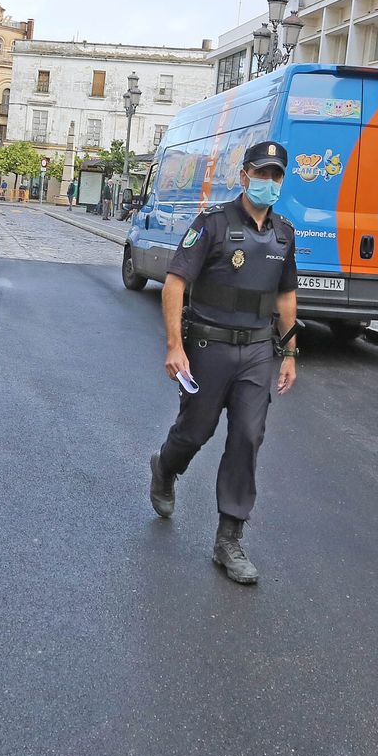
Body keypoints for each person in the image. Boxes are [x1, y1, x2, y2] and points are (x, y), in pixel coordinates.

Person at [148, 141, 300, 584]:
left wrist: (290, 352)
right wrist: (175, 346)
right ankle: (166, 466)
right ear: (244, 176)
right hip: (209, 347)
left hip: (256, 351)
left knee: (249, 436)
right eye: (262, 173)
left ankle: (229, 539)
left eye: (276, 175)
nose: (269, 182)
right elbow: (174, 285)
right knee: (196, 430)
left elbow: (286, 295)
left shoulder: (284, 234)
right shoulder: (212, 224)